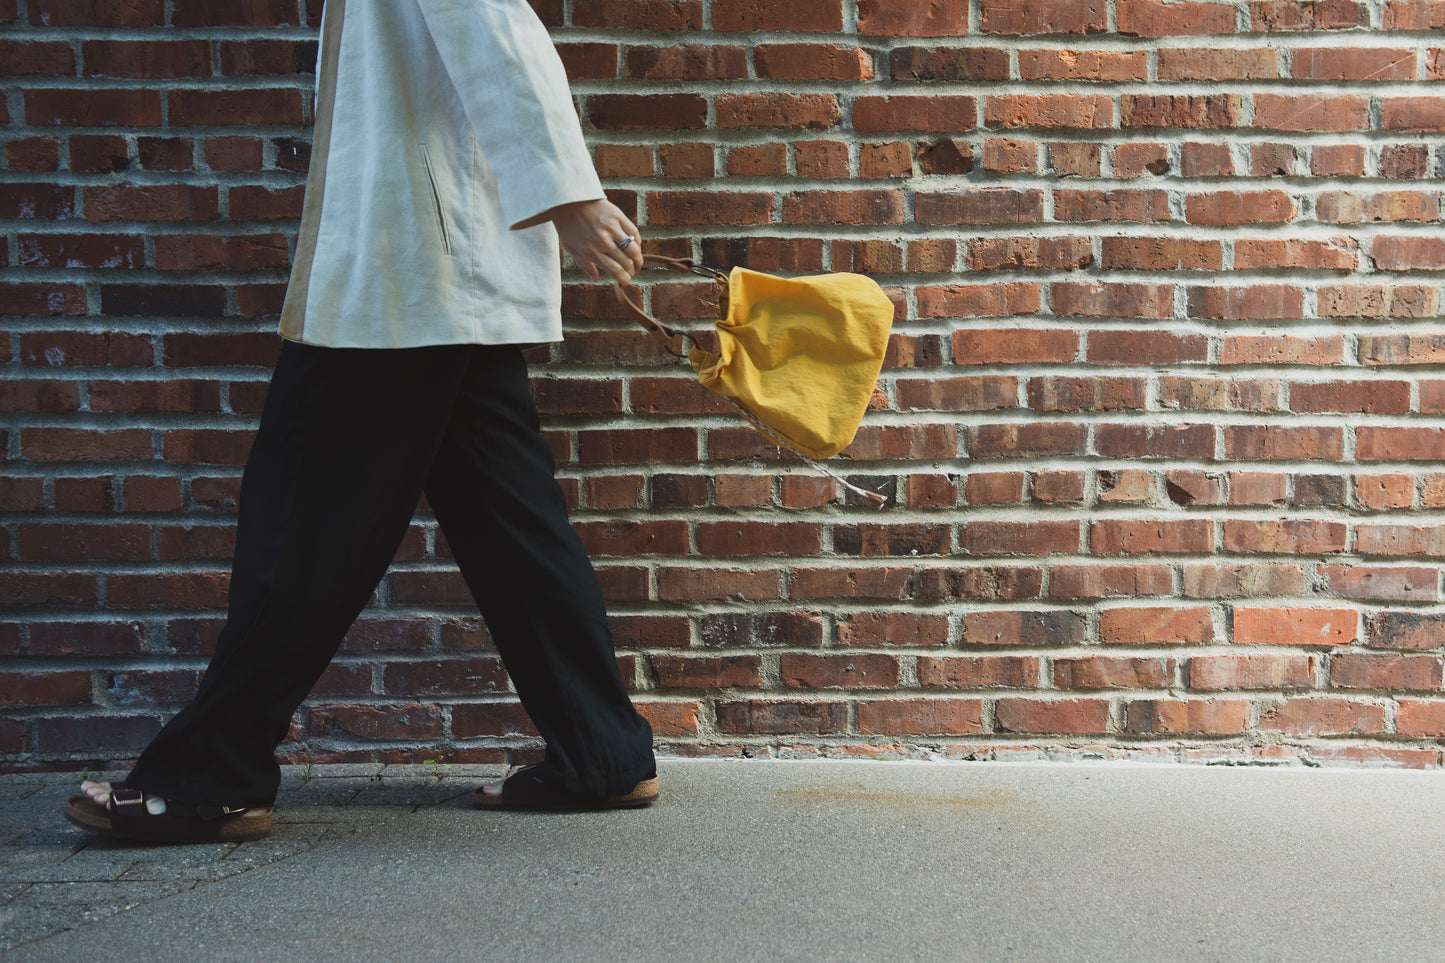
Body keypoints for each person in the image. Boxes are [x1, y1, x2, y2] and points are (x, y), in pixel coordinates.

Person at [64, 0, 658, 843]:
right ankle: (602, 750)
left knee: (299, 515)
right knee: (512, 524)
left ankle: (209, 774)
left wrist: (570, 196)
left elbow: (492, 30)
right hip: (437, 263)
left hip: (403, 266)